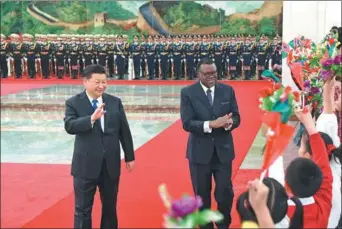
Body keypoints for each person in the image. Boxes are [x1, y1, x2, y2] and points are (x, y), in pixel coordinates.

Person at [64, 64, 135, 229]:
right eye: (97, 82)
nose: (101, 86)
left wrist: (130, 156)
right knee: (82, 210)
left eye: (104, 82)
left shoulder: (114, 102)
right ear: (85, 82)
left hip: (110, 164)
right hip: (85, 165)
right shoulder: (73, 103)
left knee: (110, 208)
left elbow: (124, 130)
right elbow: (70, 126)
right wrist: (90, 119)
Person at [180, 58, 240, 228]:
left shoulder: (227, 90)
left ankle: (223, 224)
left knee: (225, 193)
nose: (211, 76)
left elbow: (236, 116)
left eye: (214, 73)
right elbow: (187, 123)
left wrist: (231, 123)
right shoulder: (188, 93)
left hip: (223, 152)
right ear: (198, 74)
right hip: (199, 153)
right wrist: (210, 124)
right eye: (207, 74)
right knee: (202, 196)